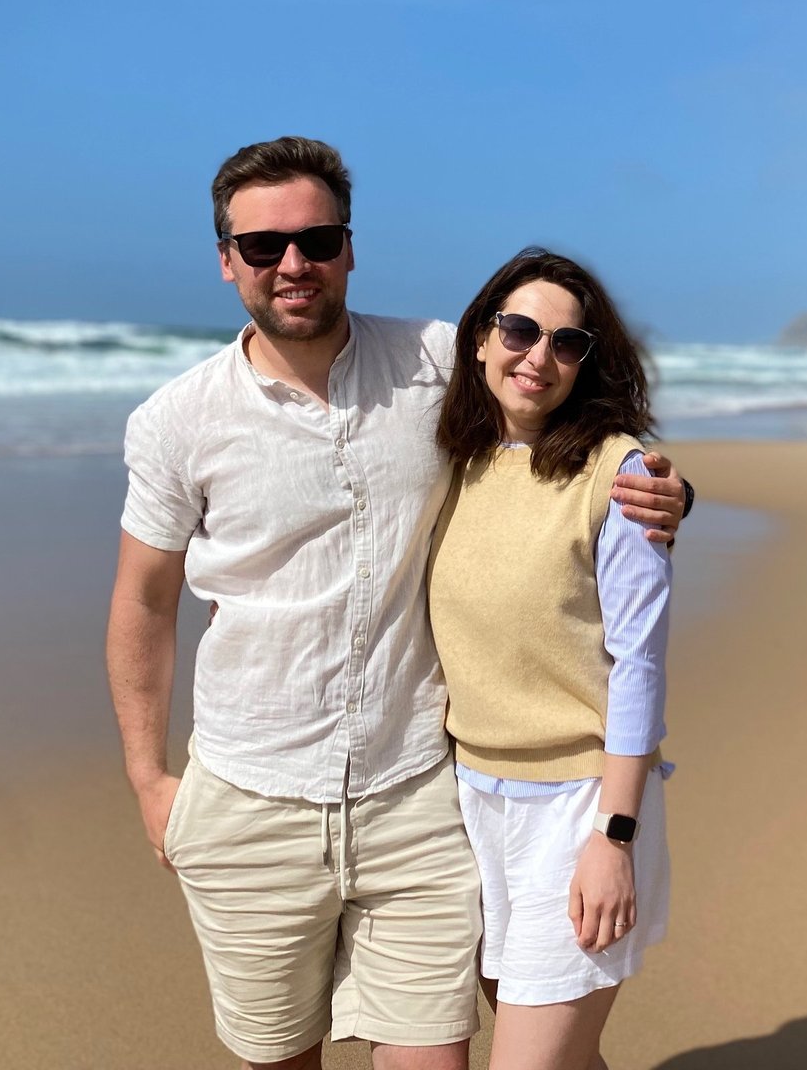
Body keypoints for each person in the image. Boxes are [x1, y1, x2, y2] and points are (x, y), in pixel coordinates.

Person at [105, 137, 690, 1070]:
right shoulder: (177, 421)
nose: (292, 263)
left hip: (418, 797)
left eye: (315, 240)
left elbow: (550, 415)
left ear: (348, 247)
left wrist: (660, 492)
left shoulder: (436, 361)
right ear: (227, 261)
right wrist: (147, 779)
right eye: (262, 246)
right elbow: (144, 601)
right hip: (251, 798)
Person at [426, 249, 675, 1070]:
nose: (539, 356)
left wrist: (614, 837)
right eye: (519, 330)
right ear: (480, 338)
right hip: (470, 803)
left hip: (579, 807)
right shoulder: (450, 459)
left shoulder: (620, 475)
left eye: (567, 344)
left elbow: (639, 668)